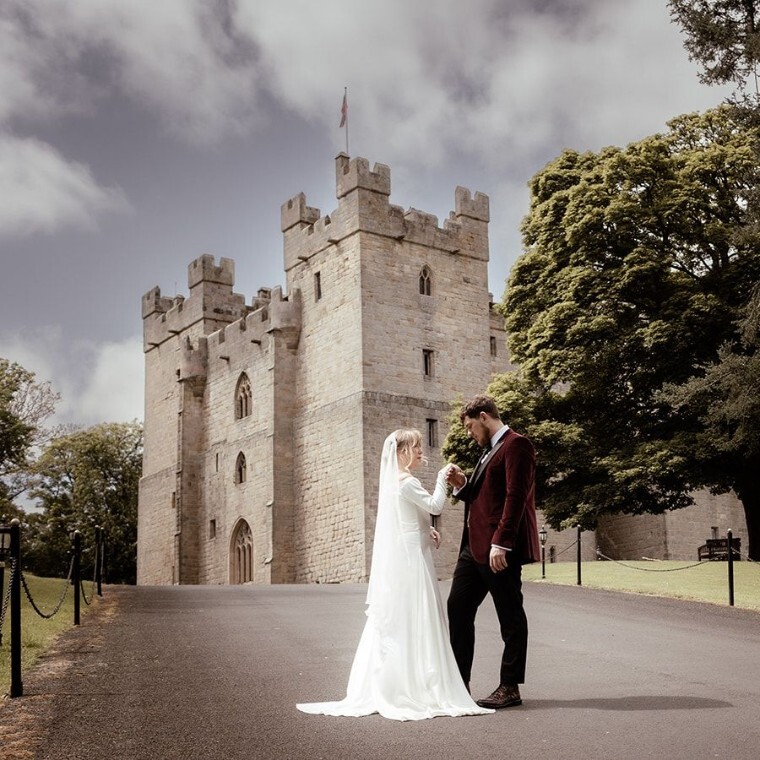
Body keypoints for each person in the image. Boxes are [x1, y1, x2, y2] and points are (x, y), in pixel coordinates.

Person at [297, 429, 492, 721]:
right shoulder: (407, 482)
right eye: (415, 447)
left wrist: (427, 529)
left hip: (413, 552)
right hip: (414, 560)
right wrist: (442, 477)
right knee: (418, 617)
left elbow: (406, 520)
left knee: (408, 617)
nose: (419, 451)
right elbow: (436, 505)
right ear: (401, 452)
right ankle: (417, 684)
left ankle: (405, 679)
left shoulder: (396, 484)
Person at [445, 395, 539, 709]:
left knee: (510, 616)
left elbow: (516, 496)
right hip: (473, 550)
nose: (470, 433)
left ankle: (510, 686)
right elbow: (480, 494)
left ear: (484, 417)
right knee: (457, 607)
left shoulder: (517, 445)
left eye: (471, 426)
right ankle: (458, 684)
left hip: (499, 548)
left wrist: (503, 542)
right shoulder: (488, 451)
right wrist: (461, 483)